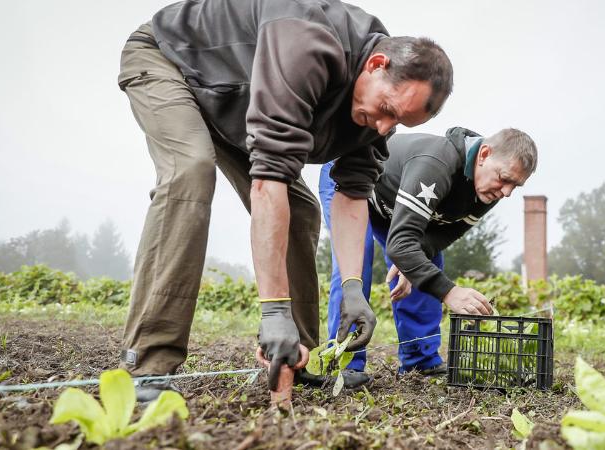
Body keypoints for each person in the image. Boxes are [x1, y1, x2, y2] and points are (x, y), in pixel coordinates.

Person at [116, 0, 453, 401]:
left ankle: (298, 354)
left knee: (301, 209)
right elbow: (269, 182)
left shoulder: (375, 114)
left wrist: (352, 289)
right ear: (376, 64)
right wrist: (273, 309)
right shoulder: (306, 45)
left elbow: (352, 192)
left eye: (397, 122)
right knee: (190, 172)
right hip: (170, 59)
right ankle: (148, 365)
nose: (384, 127)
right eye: (387, 111)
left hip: (235, 100)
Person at [318, 127, 537, 388]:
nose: (507, 192)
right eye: (504, 179)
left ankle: (420, 361)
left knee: (428, 265)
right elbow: (401, 244)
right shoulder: (436, 163)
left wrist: (412, 263)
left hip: (393, 209)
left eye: (515, 185)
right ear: (484, 154)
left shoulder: (489, 188)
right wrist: (449, 292)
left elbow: (439, 237)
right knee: (355, 265)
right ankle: (345, 364)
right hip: (352, 179)